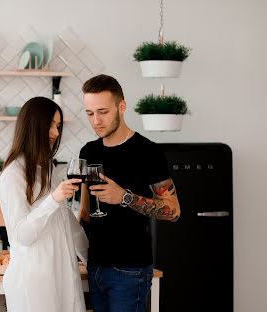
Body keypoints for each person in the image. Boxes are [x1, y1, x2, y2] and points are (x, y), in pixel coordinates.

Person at [77, 74, 181, 312]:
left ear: (121, 107)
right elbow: (85, 212)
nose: (96, 121)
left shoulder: (148, 152)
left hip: (130, 269)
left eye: (103, 111)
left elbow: (173, 211)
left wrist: (125, 197)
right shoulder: (88, 151)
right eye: (90, 113)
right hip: (95, 268)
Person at [0, 96, 89, 312]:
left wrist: (93, 261)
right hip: (34, 285)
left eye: (58, 126)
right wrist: (53, 200)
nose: (56, 133)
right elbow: (23, 235)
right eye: (50, 125)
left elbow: (69, 226)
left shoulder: (47, 171)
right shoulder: (12, 176)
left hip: (62, 278)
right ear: (33, 125)